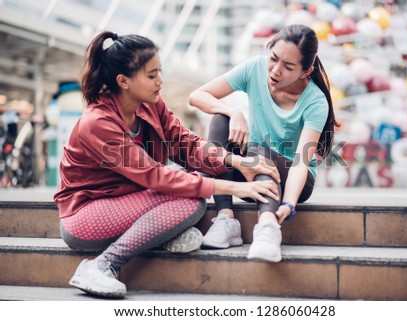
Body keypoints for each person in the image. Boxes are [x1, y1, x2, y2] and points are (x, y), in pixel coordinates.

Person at [53, 31, 280, 298]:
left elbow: (185, 144)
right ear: (123, 81)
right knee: (191, 199)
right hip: (85, 215)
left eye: (159, 71)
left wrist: (236, 161)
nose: (160, 81)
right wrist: (236, 188)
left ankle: (160, 237)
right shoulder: (98, 122)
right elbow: (154, 176)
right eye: (151, 75)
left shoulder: (150, 104)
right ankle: (101, 267)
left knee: (190, 183)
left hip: (132, 199)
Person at [189, 24, 338, 263]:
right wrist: (233, 111)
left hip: (294, 180)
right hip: (252, 174)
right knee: (221, 120)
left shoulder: (316, 102)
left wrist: (288, 203)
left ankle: (268, 228)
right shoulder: (255, 68)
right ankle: (226, 218)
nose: (276, 70)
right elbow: (197, 96)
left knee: (258, 151)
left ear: (305, 71)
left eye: (288, 66)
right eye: (274, 58)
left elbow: (302, 162)